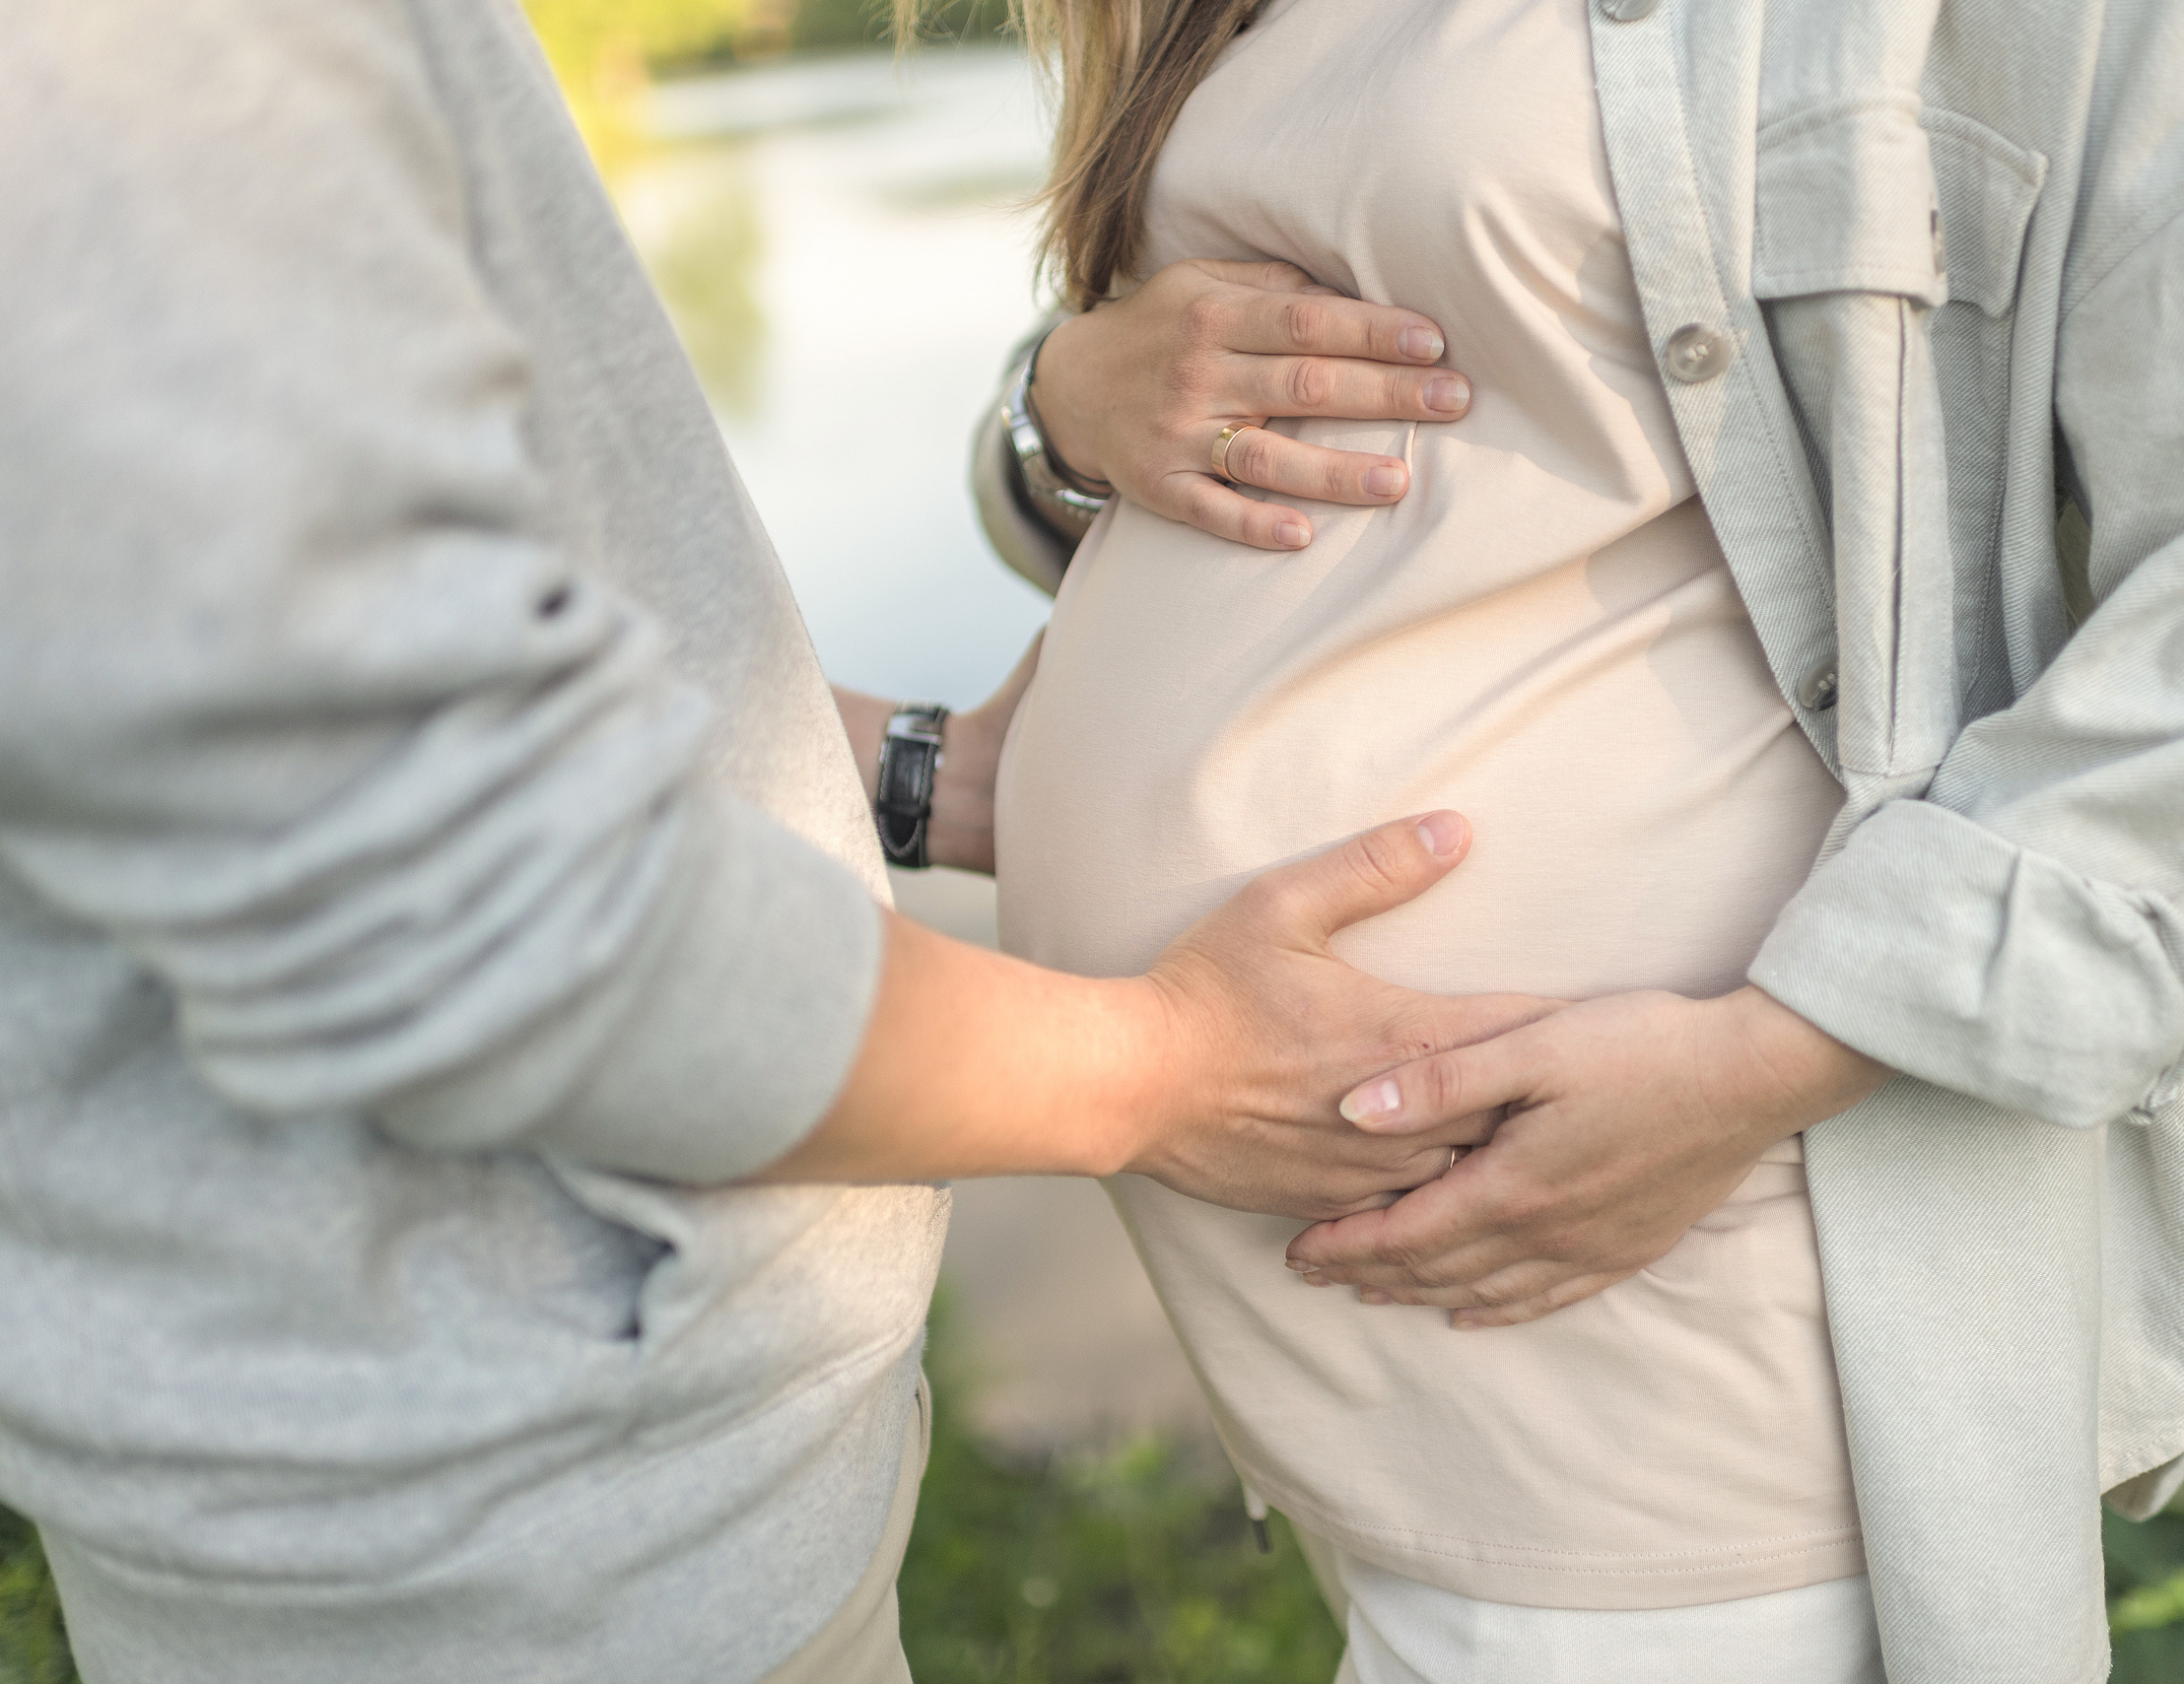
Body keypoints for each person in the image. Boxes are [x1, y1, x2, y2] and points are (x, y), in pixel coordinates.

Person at [0, 5, 1555, 1682]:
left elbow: (340, 680)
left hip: (557, 1495)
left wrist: (924, 779)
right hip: (508, 1551)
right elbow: (483, 913)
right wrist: (1159, 1072)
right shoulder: (130, 54)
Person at [963, 0, 2184, 1678]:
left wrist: (1777, 1055)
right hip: (1382, 1366)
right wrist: (1056, 407)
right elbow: (1368, 460)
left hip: (1675, 1284)